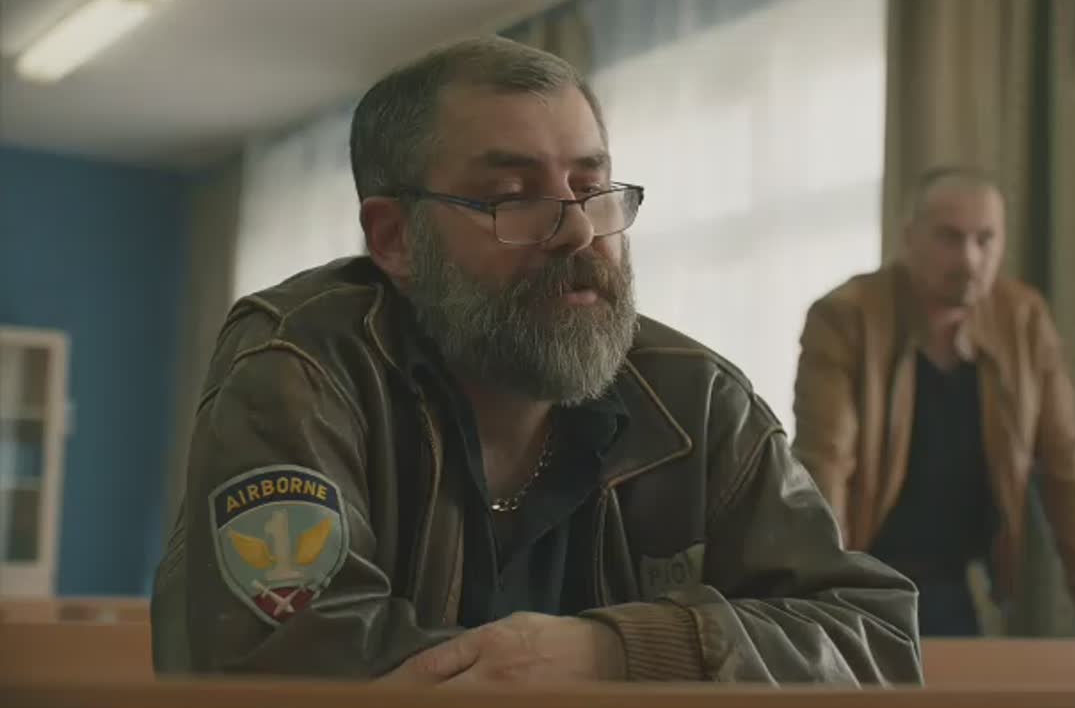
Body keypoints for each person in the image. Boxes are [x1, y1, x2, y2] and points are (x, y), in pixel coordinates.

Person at [150, 37, 922, 685]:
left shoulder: (697, 399)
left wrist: (620, 653)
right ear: (394, 239)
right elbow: (285, 659)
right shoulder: (302, 368)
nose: (578, 231)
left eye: (591, 188)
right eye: (514, 197)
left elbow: (875, 639)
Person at [792, 166, 1075, 639]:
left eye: (985, 239)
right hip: (863, 572)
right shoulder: (846, 317)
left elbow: (1068, 469)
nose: (970, 259)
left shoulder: (1023, 321)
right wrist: (823, 604)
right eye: (949, 238)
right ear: (909, 238)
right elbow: (826, 463)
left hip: (949, 583)